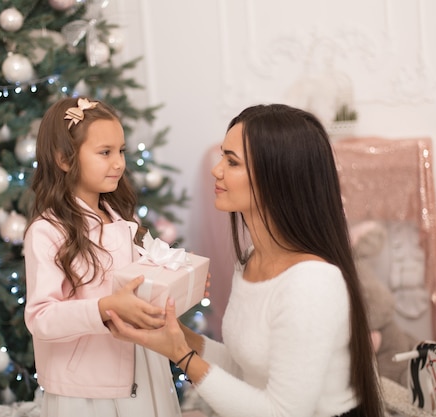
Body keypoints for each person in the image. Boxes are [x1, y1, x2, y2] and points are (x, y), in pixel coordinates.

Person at [107, 103, 384, 417]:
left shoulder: (312, 284)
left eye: (232, 161)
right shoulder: (253, 259)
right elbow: (248, 370)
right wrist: (177, 336)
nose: (216, 170)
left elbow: (284, 413)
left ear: (276, 178)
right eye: (223, 156)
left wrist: (183, 357)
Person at [23, 97, 181, 417]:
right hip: (87, 389)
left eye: (121, 151)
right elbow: (41, 317)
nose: (119, 164)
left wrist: (178, 286)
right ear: (65, 159)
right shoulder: (47, 232)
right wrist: (104, 308)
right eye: (105, 153)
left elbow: (146, 278)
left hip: (143, 367)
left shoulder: (124, 221)